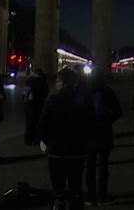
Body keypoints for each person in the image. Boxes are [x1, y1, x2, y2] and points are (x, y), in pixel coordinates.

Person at [38, 67, 95, 210]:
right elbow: (92, 123)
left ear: (62, 82)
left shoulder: (53, 99)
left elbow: (43, 125)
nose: (56, 84)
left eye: (57, 81)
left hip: (57, 152)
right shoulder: (85, 99)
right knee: (76, 189)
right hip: (78, 152)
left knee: (59, 191)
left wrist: (46, 142)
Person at [85, 68, 122, 207]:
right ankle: (102, 196)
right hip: (104, 133)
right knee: (103, 167)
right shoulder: (108, 91)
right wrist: (108, 121)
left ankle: (90, 197)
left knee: (89, 167)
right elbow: (118, 112)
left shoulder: (86, 92)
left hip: (88, 134)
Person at [24, 68, 49, 145]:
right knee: (38, 123)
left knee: (30, 123)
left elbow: (27, 91)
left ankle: (28, 140)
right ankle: (37, 140)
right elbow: (46, 93)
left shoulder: (32, 81)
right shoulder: (44, 82)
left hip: (32, 105)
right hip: (40, 105)